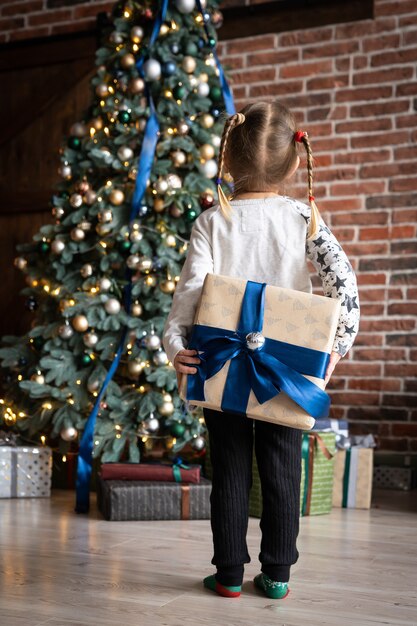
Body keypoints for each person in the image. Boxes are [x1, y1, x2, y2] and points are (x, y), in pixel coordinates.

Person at [162, 101, 360, 600]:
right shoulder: (301, 216)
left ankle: (228, 573)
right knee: (281, 469)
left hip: (221, 364)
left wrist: (175, 347)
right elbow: (344, 283)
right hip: (288, 367)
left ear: (228, 162)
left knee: (227, 468)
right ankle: (277, 575)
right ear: (296, 163)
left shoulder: (212, 221)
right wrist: (335, 348)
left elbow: (189, 295)